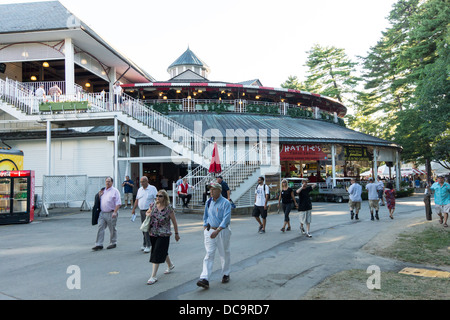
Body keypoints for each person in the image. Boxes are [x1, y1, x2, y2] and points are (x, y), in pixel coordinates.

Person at [196, 182, 232, 289]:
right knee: (209, 254)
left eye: (213, 189)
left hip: (222, 231)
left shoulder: (226, 203)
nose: (211, 192)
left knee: (224, 253)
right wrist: (205, 227)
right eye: (210, 190)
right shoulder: (209, 201)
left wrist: (218, 230)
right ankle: (204, 278)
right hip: (210, 230)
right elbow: (205, 215)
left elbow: (226, 219)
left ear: (219, 190)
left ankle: (225, 273)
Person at [146, 190, 180, 285]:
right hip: (153, 232)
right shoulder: (153, 205)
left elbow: (174, 221)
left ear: (164, 197)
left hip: (164, 234)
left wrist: (176, 233)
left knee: (156, 251)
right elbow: (148, 212)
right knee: (162, 250)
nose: (158, 197)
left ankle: (153, 276)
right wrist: (148, 214)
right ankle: (170, 265)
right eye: (157, 196)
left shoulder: (169, 208)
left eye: (160, 196)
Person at [92, 177, 121, 251]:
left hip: (111, 212)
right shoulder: (103, 191)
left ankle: (113, 242)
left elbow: (118, 203)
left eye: (109, 181)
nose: (107, 183)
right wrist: (99, 195)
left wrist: (115, 212)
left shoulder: (115, 191)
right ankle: (99, 244)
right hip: (102, 213)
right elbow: (98, 199)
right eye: (106, 181)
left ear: (112, 182)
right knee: (100, 227)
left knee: (112, 228)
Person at [131, 176, 157, 253]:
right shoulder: (140, 190)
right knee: (143, 227)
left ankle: (148, 245)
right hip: (142, 211)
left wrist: (154, 209)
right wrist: (133, 209)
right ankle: (145, 243)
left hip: (149, 211)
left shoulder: (152, 188)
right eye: (141, 182)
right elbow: (137, 200)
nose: (142, 183)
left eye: (143, 181)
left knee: (147, 228)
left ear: (147, 181)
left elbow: (156, 199)